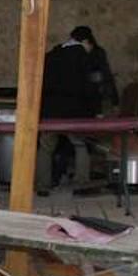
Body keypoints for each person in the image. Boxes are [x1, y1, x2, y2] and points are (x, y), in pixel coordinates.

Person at [37, 25, 114, 192]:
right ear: (86, 42)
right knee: (80, 144)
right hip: (76, 112)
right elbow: (92, 88)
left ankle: (42, 184)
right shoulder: (87, 59)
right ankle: (81, 183)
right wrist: (97, 111)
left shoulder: (50, 57)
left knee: (45, 147)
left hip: (51, 111)